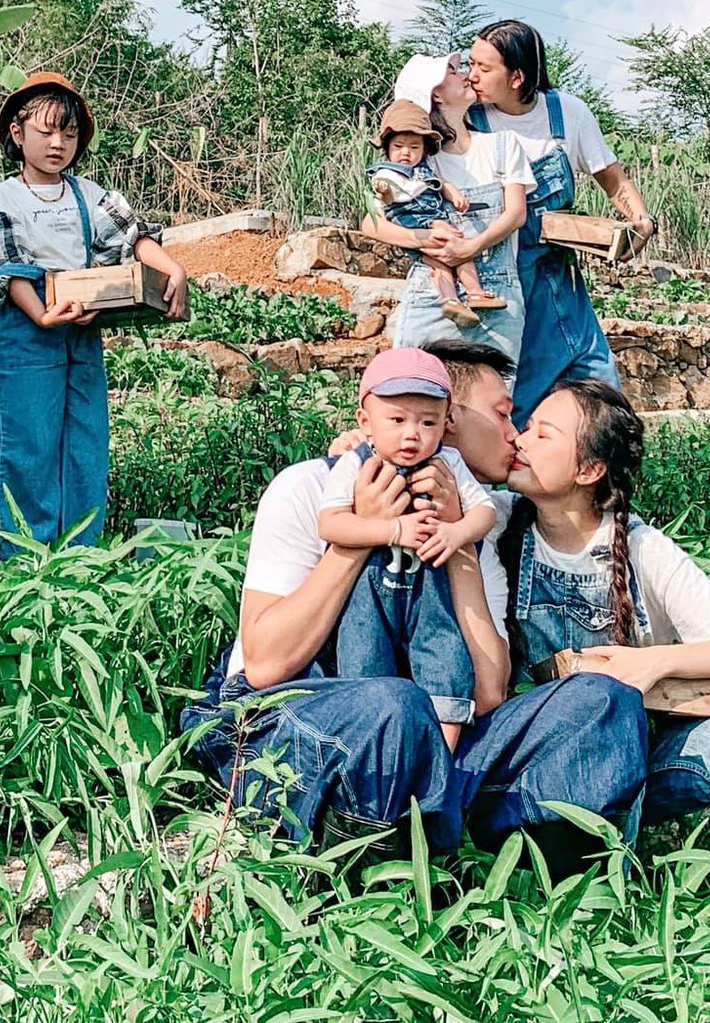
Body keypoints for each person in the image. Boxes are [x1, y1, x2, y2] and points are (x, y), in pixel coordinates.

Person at [181, 340, 651, 868]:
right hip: (296, 727)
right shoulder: (311, 487)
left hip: (440, 742)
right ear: (450, 420)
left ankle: (535, 878)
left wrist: (458, 546)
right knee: (397, 708)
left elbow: (488, 690)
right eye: (503, 414)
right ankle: (374, 881)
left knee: (603, 700)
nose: (514, 434)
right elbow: (267, 664)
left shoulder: (481, 515)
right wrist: (363, 535)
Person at [483, 378, 710, 898]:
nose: (520, 441)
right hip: (523, 768)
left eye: (542, 435)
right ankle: (601, 898)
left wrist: (654, 663)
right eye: (525, 428)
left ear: (589, 470)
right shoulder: (496, 521)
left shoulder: (642, 549)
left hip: (630, 762)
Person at [0, 72, 187, 550]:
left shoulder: (90, 195)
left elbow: (133, 237)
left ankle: (79, 553)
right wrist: (41, 314)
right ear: (17, 132)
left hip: (82, 329)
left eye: (69, 135)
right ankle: (27, 556)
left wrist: (172, 269)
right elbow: (8, 270)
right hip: (27, 330)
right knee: (31, 444)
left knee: (85, 440)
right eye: (46, 132)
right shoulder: (4, 198)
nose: (58, 144)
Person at [465, 20, 657, 421]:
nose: (472, 75)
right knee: (510, 396)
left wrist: (641, 221)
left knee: (600, 393)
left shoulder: (567, 113)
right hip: (500, 283)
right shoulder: (467, 119)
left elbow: (612, 177)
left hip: (559, 282)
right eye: (470, 64)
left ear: (517, 77)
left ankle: (597, 477)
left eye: (484, 67)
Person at [316, 349, 499, 747]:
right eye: (396, 421)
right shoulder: (355, 463)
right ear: (366, 422)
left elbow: (485, 512)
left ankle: (440, 755)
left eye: (427, 422)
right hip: (370, 596)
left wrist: (456, 531)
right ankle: (368, 749)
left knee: (445, 656)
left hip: (430, 595)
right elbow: (331, 524)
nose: (412, 434)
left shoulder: (449, 463)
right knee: (364, 656)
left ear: (446, 423)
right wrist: (392, 528)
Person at [362, 54, 531, 369]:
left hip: (497, 297)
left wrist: (469, 247)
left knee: (491, 408)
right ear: (434, 93)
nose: (466, 74)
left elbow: (516, 214)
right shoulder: (416, 160)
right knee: (415, 395)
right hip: (433, 297)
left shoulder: (502, 145)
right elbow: (371, 224)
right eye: (452, 71)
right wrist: (425, 237)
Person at [368, 102, 509, 328]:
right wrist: (384, 192)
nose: (406, 152)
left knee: (440, 264)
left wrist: (454, 194)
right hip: (417, 222)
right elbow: (384, 200)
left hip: (427, 225)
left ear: (424, 150)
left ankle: (450, 300)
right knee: (458, 245)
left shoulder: (424, 170)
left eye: (414, 147)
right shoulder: (386, 174)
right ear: (388, 148)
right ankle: (475, 292)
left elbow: (440, 183)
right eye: (399, 146)